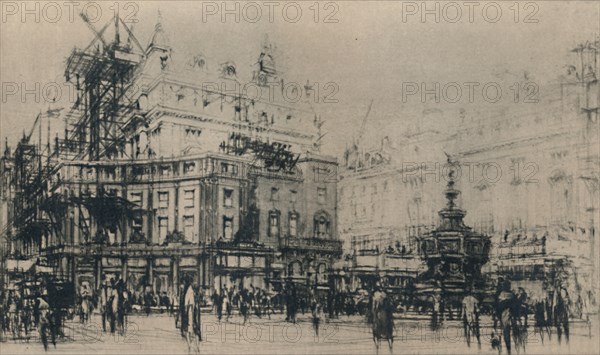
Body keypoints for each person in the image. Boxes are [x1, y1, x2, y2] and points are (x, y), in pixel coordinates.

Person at [371, 285, 394, 351]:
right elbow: (390, 308)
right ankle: (389, 342)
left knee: (376, 325)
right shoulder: (386, 298)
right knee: (389, 326)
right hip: (385, 314)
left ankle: (377, 341)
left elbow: (374, 309)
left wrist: (374, 314)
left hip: (380, 313)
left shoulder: (376, 297)